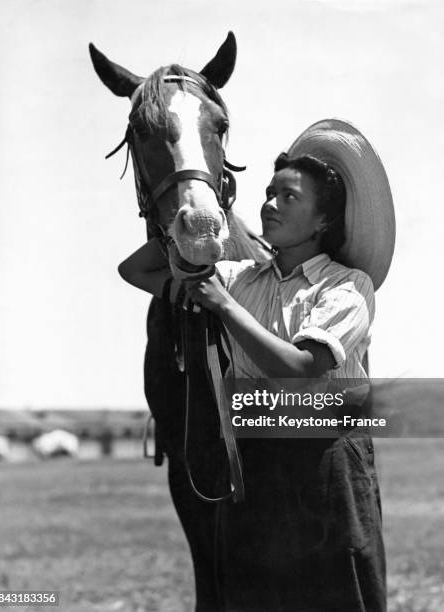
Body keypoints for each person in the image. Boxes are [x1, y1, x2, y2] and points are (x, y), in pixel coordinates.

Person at [119, 119, 395, 611]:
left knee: (338, 595)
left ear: (324, 221)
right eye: (269, 193)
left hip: (328, 469)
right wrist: (202, 210)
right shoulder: (239, 275)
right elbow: (134, 270)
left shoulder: (347, 287)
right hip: (254, 468)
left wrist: (224, 307)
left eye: (289, 198)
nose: (270, 204)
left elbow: (300, 367)